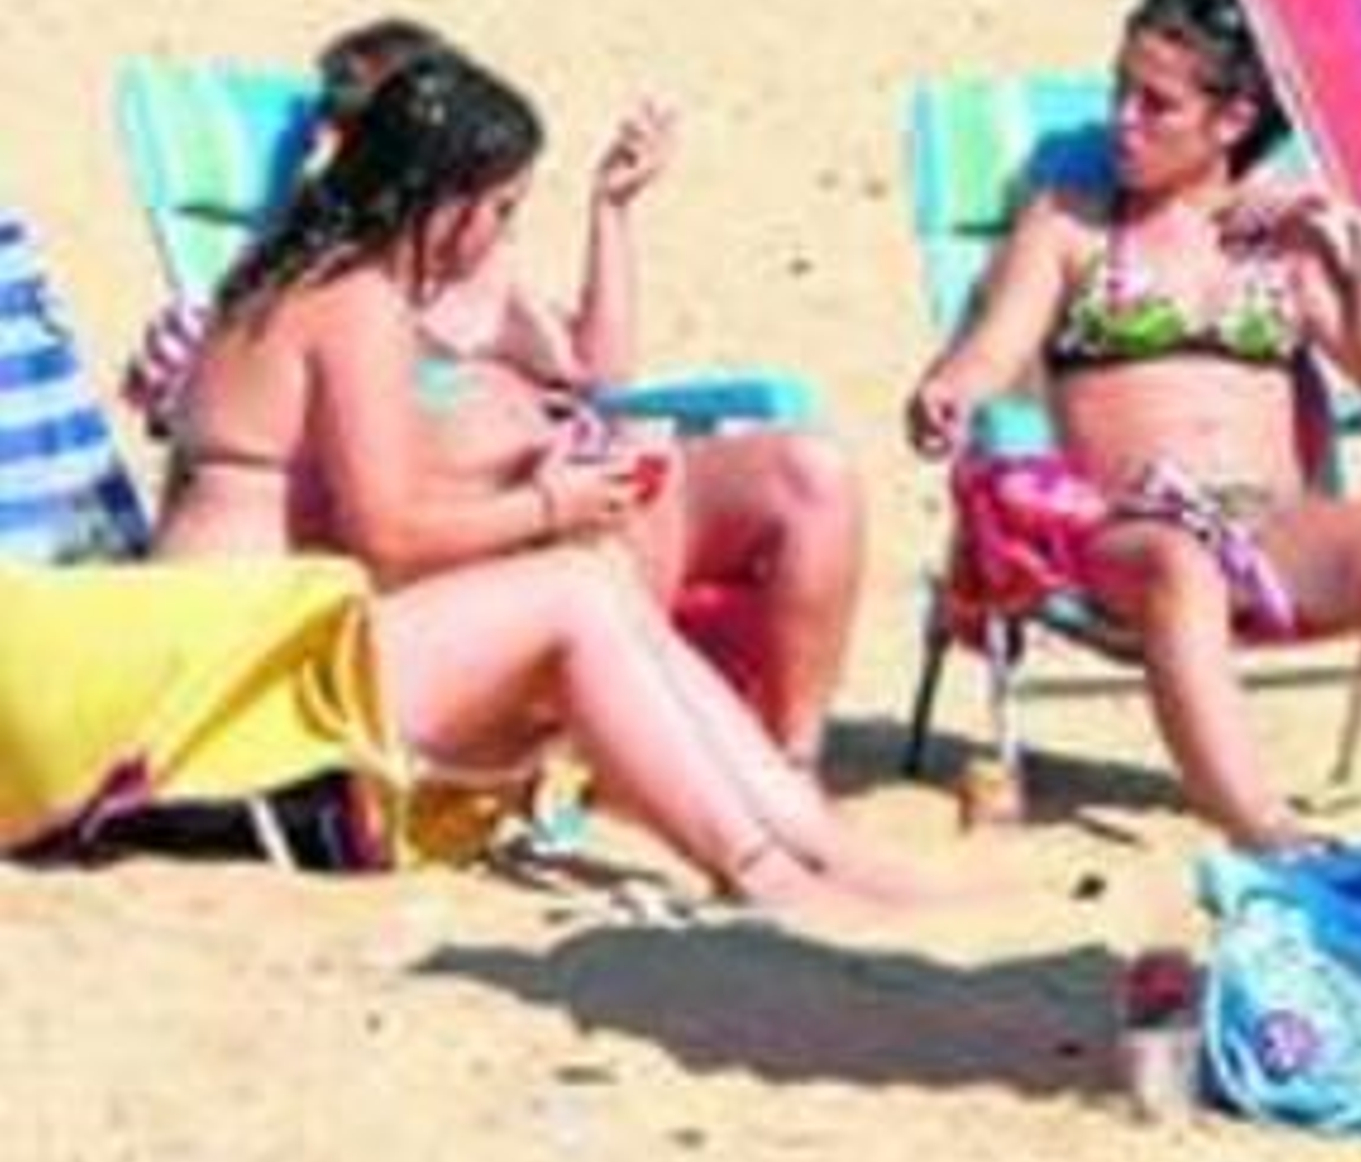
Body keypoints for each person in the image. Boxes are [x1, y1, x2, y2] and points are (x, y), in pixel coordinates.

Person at [153, 47, 912, 911]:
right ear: (446, 202)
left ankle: (807, 842)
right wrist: (554, 503)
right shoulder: (357, 300)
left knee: (591, 585)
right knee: (576, 594)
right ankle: (764, 865)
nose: (500, 235)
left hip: (228, 656)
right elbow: (388, 535)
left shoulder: (291, 274)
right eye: (502, 208)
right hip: (250, 690)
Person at [905, 0, 1361, 850]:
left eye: (1156, 104)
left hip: (1271, 529)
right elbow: (993, 349)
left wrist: (1354, 252)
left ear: (1233, 120)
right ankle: (1265, 833)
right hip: (1128, 529)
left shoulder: (1281, 241)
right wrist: (948, 392)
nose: (1123, 121)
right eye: (1119, 92)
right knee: (1184, 565)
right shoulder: (1071, 225)